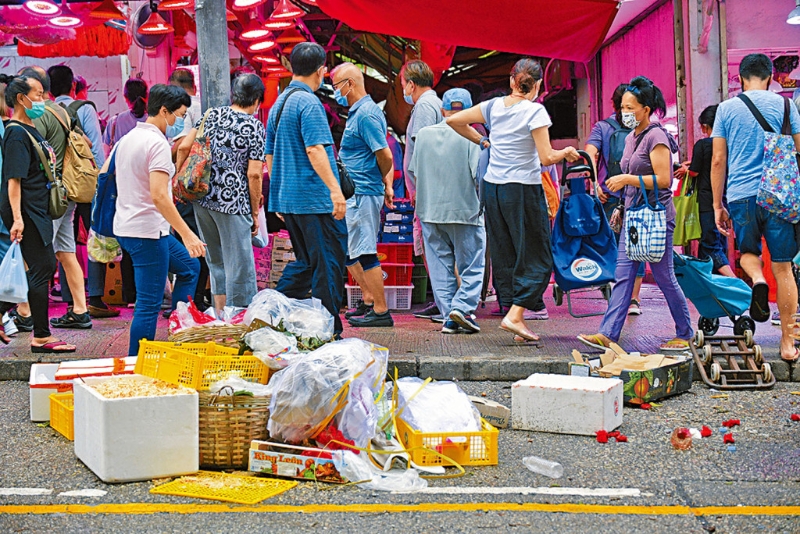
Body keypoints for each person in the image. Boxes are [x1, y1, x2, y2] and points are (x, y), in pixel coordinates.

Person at [448, 58, 579, 343]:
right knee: (538, 256)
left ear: (511, 81)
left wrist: (482, 141)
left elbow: (453, 120)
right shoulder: (535, 111)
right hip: (522, 190)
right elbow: (546, 157)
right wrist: (566, 152)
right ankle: (516, 315)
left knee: (506, 253)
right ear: (538, 85)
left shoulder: (493, 106)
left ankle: (512, 311)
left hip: (493, 189)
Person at [579, 76, 692, 352]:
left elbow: (665, 180)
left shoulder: (656, 136)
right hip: (633, 217)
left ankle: (686, 332)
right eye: (623, 108)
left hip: (655, 217)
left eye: (631, 108)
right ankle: (608, 334)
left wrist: (628, 179)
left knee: (664, 275)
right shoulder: (631, 137)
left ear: (646, 108)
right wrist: (622, 202)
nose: (625, 113)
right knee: (623, 274)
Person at [711, 53, 800, 362]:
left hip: (741, 195)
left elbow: (719, 159)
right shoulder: (788, 106)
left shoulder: (726, 109)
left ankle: (757, 281)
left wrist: (716, 204)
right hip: (779, 194)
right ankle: (788, 344)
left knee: (749, 255)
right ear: (772, 77)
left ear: (740, 78)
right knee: (784, 266)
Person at [112, 84, 203, 356]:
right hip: (147, 232)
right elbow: (159, 196)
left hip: (131, 226)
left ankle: (178, 333)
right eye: (179, 115)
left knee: (189, 267)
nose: (179, 122)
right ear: (164, 111)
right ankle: (136, 365)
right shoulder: (157, 143)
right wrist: (187, 234)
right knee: (148, 305)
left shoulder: (128, 138)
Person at [265, 42, 348, 337]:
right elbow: (315, 150)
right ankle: (329, 329)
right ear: (322, 70)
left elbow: (270, 156)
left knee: (306, 263)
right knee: (329, 264)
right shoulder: (309, 103)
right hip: (314, 200)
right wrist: (335, 192)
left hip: (290, 201)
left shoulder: (279, 104)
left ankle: (271, 312)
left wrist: (280, 196)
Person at [176, 73, 266, 312]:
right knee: (240, 266)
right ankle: (238, 322)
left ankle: (220, 318)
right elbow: (254, 174)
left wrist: (180, 177)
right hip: (233, 203)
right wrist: (255, 213)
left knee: (216, 261)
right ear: (257, 100)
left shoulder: (211, 114)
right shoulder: (254, 126)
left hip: (203, 199)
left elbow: (184, 146)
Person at [0, 74, 75, 352]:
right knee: (43, 266)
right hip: (27, 210)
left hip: (37, 208)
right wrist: (18, 218)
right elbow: (14, 180)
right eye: (39, 94)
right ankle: (41, 336)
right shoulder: (16, 133)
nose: (43, 100)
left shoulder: (31, 128)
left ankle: (33, 328)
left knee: (43, 266)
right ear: (21, 98)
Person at [20, 66, 93, 330]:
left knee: (35, 254)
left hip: (50, 195)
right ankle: (80, 310)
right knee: (66, 250)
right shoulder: (63, 111)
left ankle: (26, 312)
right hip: (68, 193)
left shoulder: (38, 116)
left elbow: (33, 154)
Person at [412, 88, 484, 334]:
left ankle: (449, 318)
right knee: (472, 264)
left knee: (440, 266)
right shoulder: (472, 136)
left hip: (430, 211)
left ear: (443, 110)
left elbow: (415, 171)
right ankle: (462, 308)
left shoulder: (422, 135)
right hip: (466, 210)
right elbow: (478, 176)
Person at [330, 63, 395, 328]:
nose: (335, 92)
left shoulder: (366, 114)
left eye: (336, 87)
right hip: (358, 192)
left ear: (350, 84)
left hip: (363, 192)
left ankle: (380, 311)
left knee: (365, 251)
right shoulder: (360, 113)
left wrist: (377, 179)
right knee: (351, 250)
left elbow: (385, 155)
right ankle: (369, 299)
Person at [48, 65, 115, 319]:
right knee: (95, 236)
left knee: (64, 241)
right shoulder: (84, 108)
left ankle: (70, 299)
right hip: (86, 183)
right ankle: (96, 297)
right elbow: (96, 150)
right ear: (73, 87)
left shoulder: (48, 111)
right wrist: (101, 183)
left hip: (59, 186)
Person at [584, 83, 646, 316]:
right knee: (638, 246)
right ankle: (634, 300)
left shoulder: (602, 127)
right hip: (638, 194)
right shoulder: (642, 126)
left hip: (609, 194)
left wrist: (594, 183)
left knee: (611, 244)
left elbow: (590, 154)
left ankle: (615, 292)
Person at [400, 59, 444, 320]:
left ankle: (444, 301)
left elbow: (425, 150)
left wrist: (420, 189)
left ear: (412, 84)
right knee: (432, 246)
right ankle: (442, 300)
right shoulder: (432, 104)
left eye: (404, 84)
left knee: (432, 246)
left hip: (427, 191)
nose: (403, 90)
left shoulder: (425, 106)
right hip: (429, 189)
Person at [673, 105, 734, 277]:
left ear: (705, 126)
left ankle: (740, 287)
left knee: (710, 246)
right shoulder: (728, 145)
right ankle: (710, 287)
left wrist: (686, 169)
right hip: (726, 200)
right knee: (716, 246)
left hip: (707, 202)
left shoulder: (703, 144)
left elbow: (695, 171)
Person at [103, 78, 148, 153]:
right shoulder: (156, 122)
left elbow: (105, 154)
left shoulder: (114, 122)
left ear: (125, 97)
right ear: (147, 96)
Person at [168, 68, 202, 154]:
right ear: (194, 87)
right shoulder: (202, 104)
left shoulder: (182, 107)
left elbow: (182, 142)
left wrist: (168, 159)